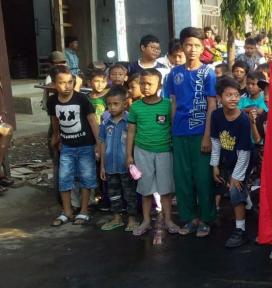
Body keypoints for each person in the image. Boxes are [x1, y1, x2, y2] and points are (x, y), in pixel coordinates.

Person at [167, 27, 217, 237]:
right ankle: (189, 218)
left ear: (203, 47)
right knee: (182, 178)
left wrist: (207, 136)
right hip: (179, 133)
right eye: (188, 45)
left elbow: (212, 105)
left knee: (203, 178)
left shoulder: (208, 73)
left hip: (200, 132)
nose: (193, 49)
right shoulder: (174, 73)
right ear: (182, 46)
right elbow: (173, 103)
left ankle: (206, 219)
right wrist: (172, 131)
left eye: (197, 45)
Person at [127, 69, 179, 236]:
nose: (146, 87)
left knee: (166, 189)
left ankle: (168, 220)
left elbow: (173, 127)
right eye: (142, 83)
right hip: (142, 152)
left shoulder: (167, 105)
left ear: (160, 85)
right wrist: (129, 155)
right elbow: (131, 132)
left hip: (164, 151)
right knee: (145, 188)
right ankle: (146, 221)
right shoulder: (135, 107)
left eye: (150, 83)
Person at [48, 68, 99, 226]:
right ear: (54, 84)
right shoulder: (52, 101)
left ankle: (84, 210)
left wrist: (99, 143)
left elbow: (92, 121)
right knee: (64, 178)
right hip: (67, 147)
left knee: (86, 178)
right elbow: (55, 121)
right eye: (62, 82)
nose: (67, 86)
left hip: (86, 145)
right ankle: (67, 211)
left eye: (70, 82)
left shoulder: (82, 99)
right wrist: (56, 137)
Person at [210, 78, 253, 248]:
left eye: (236, 95)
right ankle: (247, 199)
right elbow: (215, 141)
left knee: (235, 190)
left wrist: (237, 176)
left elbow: (245, 152)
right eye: (229, 95)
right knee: (232, 188)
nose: (234, 98)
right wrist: (215, 165)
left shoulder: (243, 120)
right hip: (227, 159)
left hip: (245, 160)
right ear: (219, 97)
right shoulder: (216, 115)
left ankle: (240, 230)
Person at [98, 86, 138, 232]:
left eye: (116, 104)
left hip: (126, 165)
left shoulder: (129, 121)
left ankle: (132, 219)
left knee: (129, 193)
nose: (112, 107)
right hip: (110, 166)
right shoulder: (105, 122)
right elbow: (102, 143)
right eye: (109, 104)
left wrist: (132, 160)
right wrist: (102, 166)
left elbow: (134, 142)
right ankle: (117, 218)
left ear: (125, 104)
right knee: (113, 193)